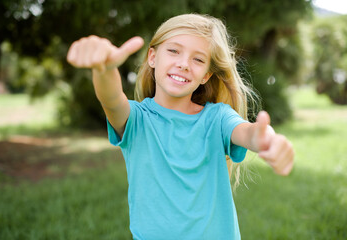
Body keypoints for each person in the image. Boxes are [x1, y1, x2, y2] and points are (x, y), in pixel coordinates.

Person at [67, 13, 294, 240]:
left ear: (206, 75)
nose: (184, 64)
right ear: (153, 57)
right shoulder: (136, 120)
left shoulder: (218, 118)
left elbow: (248, 132)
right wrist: (104, 69)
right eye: (174, 51)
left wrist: (266, 140)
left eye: (198, 59)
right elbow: (111, 98)